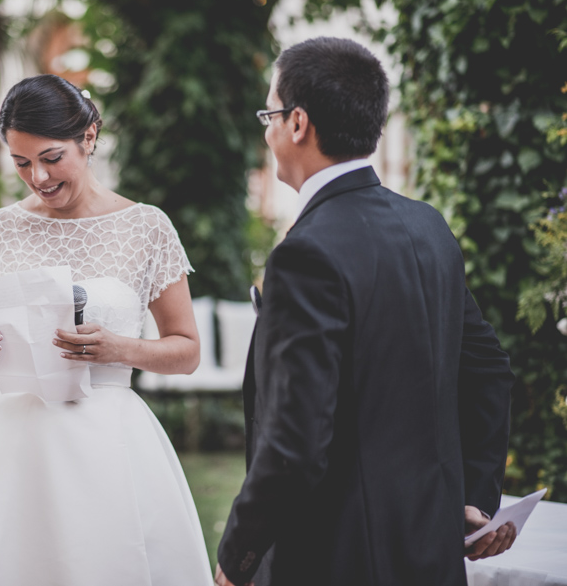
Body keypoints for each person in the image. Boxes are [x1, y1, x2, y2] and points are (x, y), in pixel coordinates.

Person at [214, 37, 517, 586]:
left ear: (297, 123)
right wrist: (475, 496)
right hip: (432, 549)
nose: (267, 130)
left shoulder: (305, 253)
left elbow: (294, 443)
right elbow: (488, 368)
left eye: (269, 115)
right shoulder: (428, 226)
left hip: (337, 557)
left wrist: (239, 556)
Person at [0, 74, 213, 586]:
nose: (38, 177)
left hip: (108, 442)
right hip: (11, 444)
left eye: (51, 158)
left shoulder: (147, 228)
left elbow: (187, 350)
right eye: (21, 163)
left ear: (88, 137)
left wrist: (118, 348)